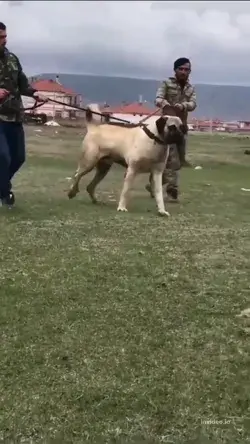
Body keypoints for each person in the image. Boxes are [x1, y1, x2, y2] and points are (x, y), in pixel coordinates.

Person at [0, 22, 47, 208]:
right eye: (0, 37)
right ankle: (4, 193)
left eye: (5, 36)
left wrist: (35, 93)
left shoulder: (12, 58)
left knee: (18, 157)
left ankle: (2, 187)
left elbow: (22, 84)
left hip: (15, 116)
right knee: (3, 157)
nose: (5, 40)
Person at [145, 57, 197, 202]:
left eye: (186, 69)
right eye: (181, 69)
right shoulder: (166, 83)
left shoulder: (191, 88)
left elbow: (193, 103)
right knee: (172, 160)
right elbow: (158, 99)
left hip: (182, 127)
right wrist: (164, 103)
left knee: (179, 161)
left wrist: (184, 106)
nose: (183, 72)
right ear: (175, 70)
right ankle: (172, 191)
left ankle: (153, 184)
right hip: (167, 128)